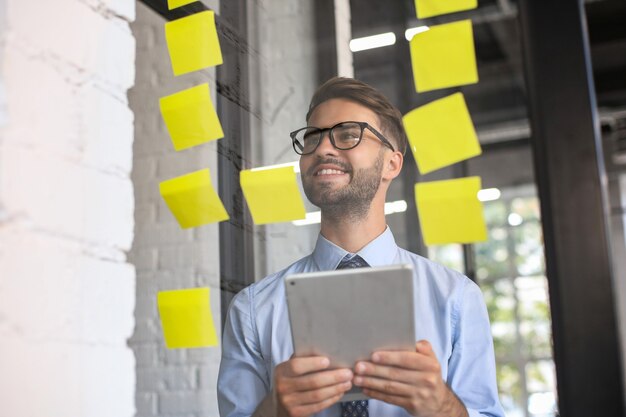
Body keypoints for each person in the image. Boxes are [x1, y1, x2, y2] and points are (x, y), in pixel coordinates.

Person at [217, 77, 504, 417]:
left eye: (348, 134)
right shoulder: (252, 310)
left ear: (391, 164)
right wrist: (273, 411)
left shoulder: (457, 298)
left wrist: (441, 406)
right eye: (313, 136)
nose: (323, 148)